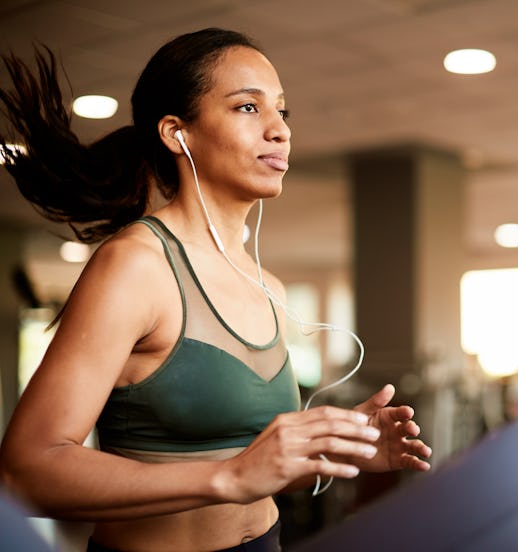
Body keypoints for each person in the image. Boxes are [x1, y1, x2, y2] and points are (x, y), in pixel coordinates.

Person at [0, 28, 431, 551]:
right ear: (176, 133)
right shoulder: (136, 266)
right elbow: (26, 472)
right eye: (248, 107)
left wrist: (334, 450)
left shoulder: (265, 284)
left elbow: (256, 470)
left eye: (282, 111)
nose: (279, 130)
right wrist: (227, 475)